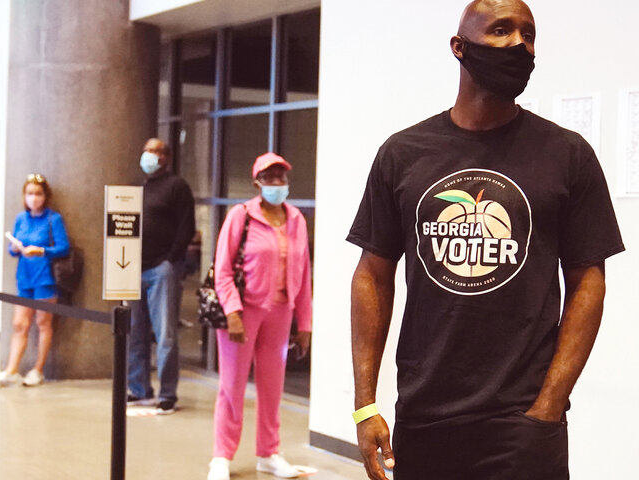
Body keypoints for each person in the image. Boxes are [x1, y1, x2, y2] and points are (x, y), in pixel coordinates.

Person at [346, 2, 624, 479]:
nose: (520, 44)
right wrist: (365, 404)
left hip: (522, 421)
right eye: (501, 30)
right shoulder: (403, 154)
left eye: (529, 35)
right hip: (424, 416)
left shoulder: (567, 154)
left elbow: (588, 283)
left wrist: (549, 406)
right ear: (460, 47)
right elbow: (372, 275)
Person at [206, 153, 312, 480]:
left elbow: (305, 274)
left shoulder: (296, 219)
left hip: (281, 312)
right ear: (257, 183)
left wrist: (305, 323)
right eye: (270, 178)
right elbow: (222, 272)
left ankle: (269, 452)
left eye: (281, 177)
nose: (277, 183)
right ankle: (221, 457)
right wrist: (234, 313)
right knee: (232, 386)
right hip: (243, 312)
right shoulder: (242, 216)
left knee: (272, 386)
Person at [127, 138, 195, 414]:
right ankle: (139, 389)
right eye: (146, 150)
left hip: (161, 269)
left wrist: (171, 259)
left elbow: (186, 226)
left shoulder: (177, 186)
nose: (149, 155)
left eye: (155, 151)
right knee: (135, 333)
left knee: (165, 334)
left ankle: (168, 393)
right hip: (133, 268)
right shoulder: (140, 188)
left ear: (165, 157)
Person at [0, 173, 70, 388]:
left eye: (38, 194)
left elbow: (63, 247)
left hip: (45, 277)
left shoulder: (54, 219)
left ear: (45, 196)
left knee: (43, 323)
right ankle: (11, 370)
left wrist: (42, 250)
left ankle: (38, 369)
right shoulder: (21, 219)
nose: (33, 198)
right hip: (24, 277)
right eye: (29, 194)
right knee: (19, 324)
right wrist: (15, 248)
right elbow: (12, 249)